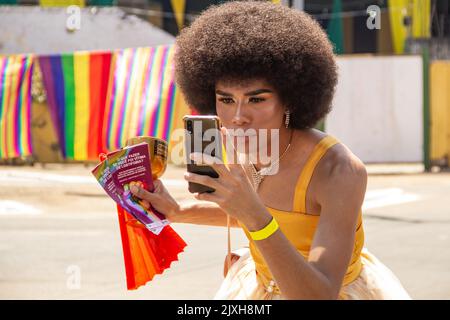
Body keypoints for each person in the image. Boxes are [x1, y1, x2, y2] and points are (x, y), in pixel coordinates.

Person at [130, 1, 411, 300]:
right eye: (226, 100)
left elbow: (318, 294)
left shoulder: (338, 171)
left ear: (289, 99)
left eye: (256, 100)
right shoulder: (244, 144)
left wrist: (254, 217)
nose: (238, 116)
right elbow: (266, 213)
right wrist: (177, 211)